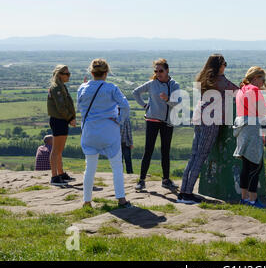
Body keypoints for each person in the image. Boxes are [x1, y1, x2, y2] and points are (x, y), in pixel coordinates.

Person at [177, 54, 239, 204]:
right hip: (211, 121)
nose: (226, 66)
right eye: (225, 63)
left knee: (194, 156)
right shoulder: (222, 81)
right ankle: (187, 194)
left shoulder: (204, 80)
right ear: (219, 66)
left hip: (199, 118)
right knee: (201, 156)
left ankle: (183, 191)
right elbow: (239, 92)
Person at [77, 59, 132, 208]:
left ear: (92, 72)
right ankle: (121, 199)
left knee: (89, 168)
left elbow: (80, 107)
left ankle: (87, 201)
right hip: (109, 131)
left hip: (89, 132)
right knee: (116, 166)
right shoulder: (111, 88)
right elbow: (125, 107)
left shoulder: (82, 88)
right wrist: (119, 121)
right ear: (106, 73)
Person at [233, 66, 266, 209]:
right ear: (255, 78)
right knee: (255, 165)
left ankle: (244, 198)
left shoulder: (242, 90)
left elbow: (251, 109)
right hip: (253, 128)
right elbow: (260, 112)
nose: (263, 82)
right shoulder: (254, 90)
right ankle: (253, 200)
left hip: (242, 127)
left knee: (246, 166)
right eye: (262, 79)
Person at [133, 58, 181, 191]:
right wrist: (144, 105)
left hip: (167, 122)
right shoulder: (152, 83)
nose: (158, 73)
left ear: (167, 71)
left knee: (165, 151)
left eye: (161, 71)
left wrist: (168, 99)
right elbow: (135, 92)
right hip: (152, 120)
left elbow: (178, 102)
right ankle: (141, 180)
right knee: (148, 150)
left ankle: (166, 179)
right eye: (156, 71)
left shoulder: (174, 85)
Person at [47, 64, 77, 186]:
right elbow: (61, 107)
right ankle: (55, 177)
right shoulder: (56, 88)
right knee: (56, 150)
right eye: (66, 74)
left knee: (59, 150)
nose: (69, 76)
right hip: (59, 120)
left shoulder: (61, 87)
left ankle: (61, 174)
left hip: (61, 120)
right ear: (59, 75)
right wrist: (70, 118)